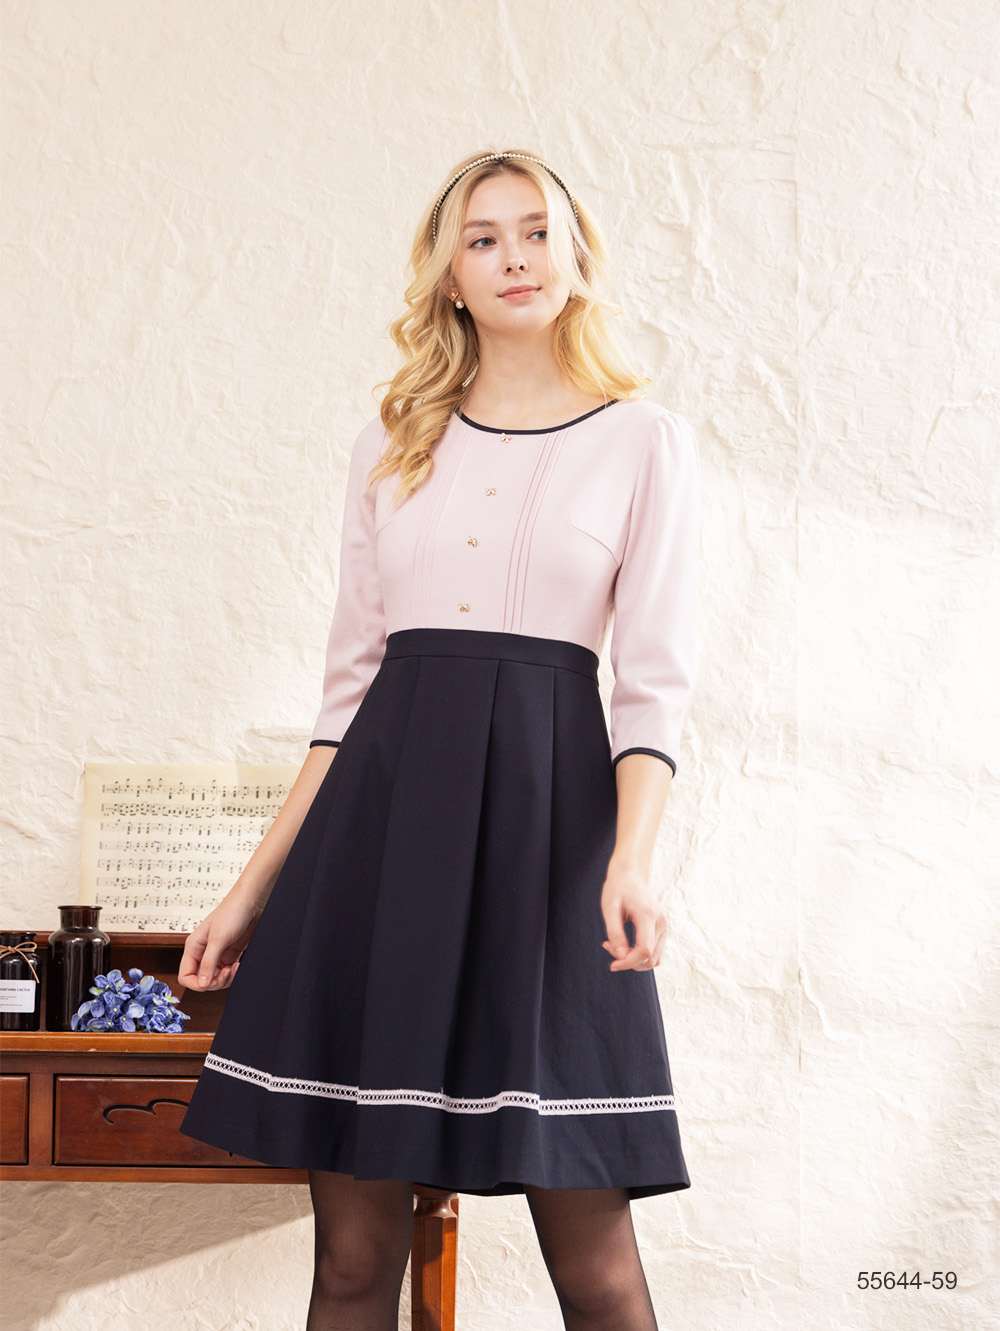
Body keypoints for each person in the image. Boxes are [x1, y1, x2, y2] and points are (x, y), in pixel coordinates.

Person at [178, 147, 700, 1331]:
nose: (515, 257)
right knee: (351, 1264)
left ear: (577, 256)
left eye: (537, 231)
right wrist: (250, 889)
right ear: (449, 275)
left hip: (546, 847)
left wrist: (629, 863)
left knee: (597, 1271)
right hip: (377, 845)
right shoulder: (391, 439)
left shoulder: (643, 442)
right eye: (483, 238)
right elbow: (346, 694)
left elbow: (652, 688)